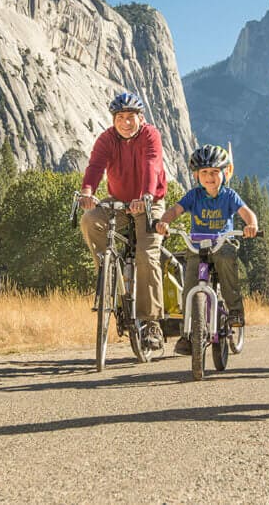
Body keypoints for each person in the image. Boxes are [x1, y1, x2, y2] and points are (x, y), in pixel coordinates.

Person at [79, 92, 166, 350]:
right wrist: (87, 193)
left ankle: (152, 324)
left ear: (141, 118)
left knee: (147, 255)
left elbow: (152, 164)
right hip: (117, 202)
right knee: (89, 219)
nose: (125, 122)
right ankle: (108, 274)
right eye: (120, 117)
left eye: (130, 117)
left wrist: (147, 196)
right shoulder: (107, 139)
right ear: (113, 119)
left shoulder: (151, 135)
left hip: (149, 202)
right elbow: (95, 167)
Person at [155, 144, 258, 356]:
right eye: (204, 172)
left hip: (222, 244)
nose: (209, 177)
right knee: (190, 285)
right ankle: (189, 332)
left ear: (225, 172)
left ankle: (235, 311)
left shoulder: (229, 196)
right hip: (197, 246)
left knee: (226, 262)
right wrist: (164, 223)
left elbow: (247, 213)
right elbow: (175, 210)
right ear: (196, 175)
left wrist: (251, 226)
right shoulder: (194, 196)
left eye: (214, 172)